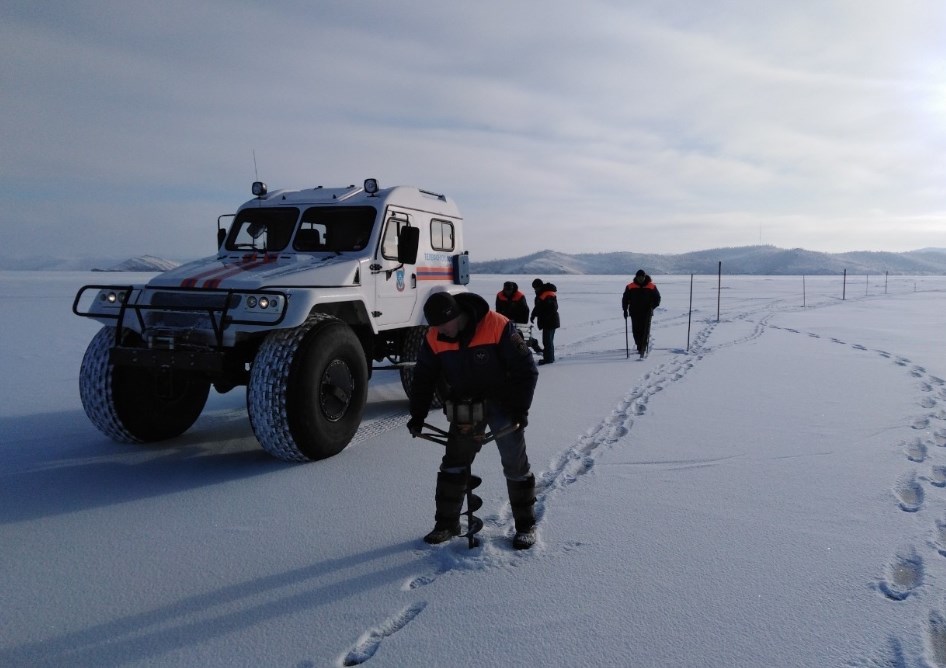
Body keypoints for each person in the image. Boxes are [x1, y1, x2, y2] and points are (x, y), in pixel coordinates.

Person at [407, 291, 540, 550]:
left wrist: (520, 410)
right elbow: (424, 377)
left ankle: (525, 525)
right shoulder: (435, 336)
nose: (441, 330)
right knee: (454, 463)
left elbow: (527, 370)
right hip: (465, 404)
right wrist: (418, 414)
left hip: (503, 403)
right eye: (436, 326)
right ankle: (446, 524)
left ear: (457, 315)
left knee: (515, 462)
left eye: (445, 324)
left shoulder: (497, 325)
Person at [622, 269, 661, 358]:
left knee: (645, 330)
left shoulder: (651, 286)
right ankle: (639, 344)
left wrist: (652, 307)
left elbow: (657, 298)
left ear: (644, 276)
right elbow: (625, 299)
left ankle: (642, 347)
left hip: (647, 312)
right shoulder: (630, 286)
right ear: (636, 277)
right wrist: (625, 310)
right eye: (638, 277)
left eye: (642, 277)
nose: (640, 278)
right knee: (636, 331)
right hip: (634, 312)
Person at [496, 281, 542, 355]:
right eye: (506, 290)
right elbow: (498, 310)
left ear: (512, 289)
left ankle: (536, 347)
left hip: (519, 320)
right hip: (505, 320)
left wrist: (522, 323)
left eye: (509, 290)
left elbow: (525, 310)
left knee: (524, 337)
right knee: (505, 338)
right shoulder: (500, 295)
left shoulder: (519, 296)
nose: (508, 292)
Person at [530, 278, 560, 365]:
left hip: (550, 321)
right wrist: (533, 315)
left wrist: (546, 317)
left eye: (535, 287)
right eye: (534, 288)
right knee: (548, 341)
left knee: (547, 341)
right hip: (548, 320)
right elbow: (538, 307)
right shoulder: (541, 294)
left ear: (539, 286)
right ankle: (549, 357)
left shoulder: (548, 294)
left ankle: (549, 359)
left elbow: (553, 308)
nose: (535, 289)